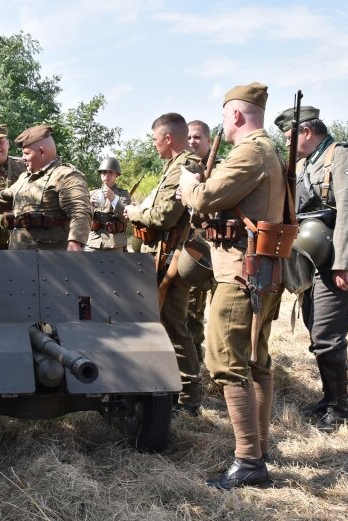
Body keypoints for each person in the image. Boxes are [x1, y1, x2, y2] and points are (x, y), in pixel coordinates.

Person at [180, 82, 284, 489]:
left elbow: (206, 197)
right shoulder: (266, 151)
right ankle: (257, 449)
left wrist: (187, 182)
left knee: (225, 360)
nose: (224, 122)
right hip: (259, 272)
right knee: (256, 360)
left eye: (225, 116)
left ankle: (248, 461)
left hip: (241, 274)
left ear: (236, 116)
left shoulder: (251, 151)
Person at [275, 104, 348, 432]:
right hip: (315, 258)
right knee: (315, 327)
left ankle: (339, 408)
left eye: (291, 137)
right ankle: (329, 397)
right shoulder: (307, 162)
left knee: (327, 334)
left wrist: (344, 264)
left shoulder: (343, 156)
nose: (289, 144)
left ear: (306, 131)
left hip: (342, 261)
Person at [123, 113, 204, 415]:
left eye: (155, 138)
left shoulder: (185, 166)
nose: (154, 143)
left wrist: (135, 213)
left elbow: (164, 216)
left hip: (173, 257)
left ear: (167, 138)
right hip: (161, 254)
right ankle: (171, 388)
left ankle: (189, 398)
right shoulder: (174, 167)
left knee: (173, 324)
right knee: (164, 324)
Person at [0, 125, 92, 251]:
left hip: (51, 261)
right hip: (20, 257)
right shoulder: (25, 178)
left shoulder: (66, 176)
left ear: (41, 151)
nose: (22, 158)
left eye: (26, 153)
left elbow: (80, 211)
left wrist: (75, 244)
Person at [186, 120, 219, 362]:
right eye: (188, 138)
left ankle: (221, 368)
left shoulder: (223, 168)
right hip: (194, 245)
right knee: (190, 311)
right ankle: (194, 365)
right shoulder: (182, 169)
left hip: (219, 246)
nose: (192, 142)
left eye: (197, 137)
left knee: (220, 314)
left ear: (208, 140)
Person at [85, 157, 130, 251]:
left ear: (117, 175)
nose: (107, 175)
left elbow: (125, 219)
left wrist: (114, 200)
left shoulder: (123, 195)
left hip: (115, 243)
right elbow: (82, 219)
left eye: (110, 172)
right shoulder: (92, 194)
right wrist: (89, 206)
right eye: (104, 172)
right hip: (93, 242)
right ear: (100, 174)